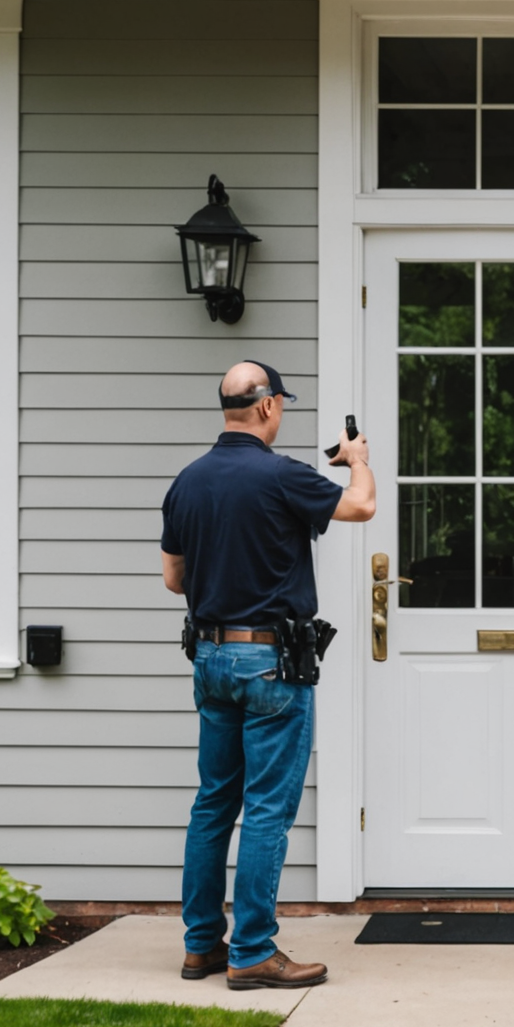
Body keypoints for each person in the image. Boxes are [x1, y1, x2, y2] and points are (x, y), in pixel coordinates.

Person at [161, 361, 375, 990]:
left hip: (210, 658)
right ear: (266, 408)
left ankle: (202, 946)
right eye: (280, 403)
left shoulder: (188, 482)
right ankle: (252, 950)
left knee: (213, 804)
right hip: (271, 664)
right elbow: (361, 506)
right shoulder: (282, 476)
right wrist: (357, 458)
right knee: (266, 811)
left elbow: (174, 578)